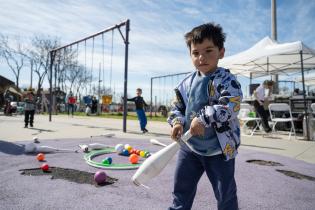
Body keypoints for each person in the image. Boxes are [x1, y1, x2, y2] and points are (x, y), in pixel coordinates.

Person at [167, 22, 242, 210]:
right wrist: (177, 122)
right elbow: (177, 107)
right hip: (190, 149)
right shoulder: (186, 84)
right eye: (195, 53)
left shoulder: (227, 80)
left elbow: (231, 104)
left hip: (219, 151)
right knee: (181, 190)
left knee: (225, 194)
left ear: (221, 52)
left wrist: (202, 119)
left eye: (209, 50)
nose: (202, 57)